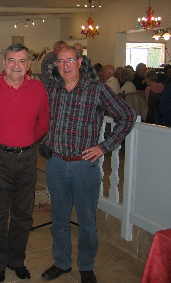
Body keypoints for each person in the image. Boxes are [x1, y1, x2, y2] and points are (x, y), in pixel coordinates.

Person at [40, 46, 136, 283]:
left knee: (86, 222)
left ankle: (86, 266)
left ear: (80, 62)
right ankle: (61, 262)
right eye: (61, 62)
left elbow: (127, 116)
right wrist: (46, 140)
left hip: (84, 166)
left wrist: (104, 147)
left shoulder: (97, 90)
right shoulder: (51, 90)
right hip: (56, 165)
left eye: (70, 60)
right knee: (59, 220)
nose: (65, 65)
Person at [0, 43, 49, 283]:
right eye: (11, 60)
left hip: (27, 158)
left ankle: (16, 260)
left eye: (21, 61)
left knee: (23, 214)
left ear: (28, 65)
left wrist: (25, 142)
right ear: (4, 63)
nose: (16, 66)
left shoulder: (38, 89)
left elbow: (44, 122)